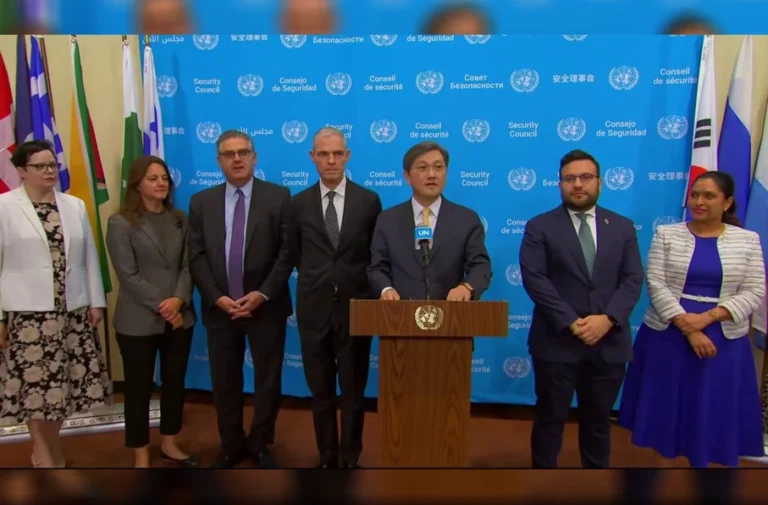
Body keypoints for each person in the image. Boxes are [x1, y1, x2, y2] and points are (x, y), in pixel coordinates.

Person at [619, 171, 764, 469]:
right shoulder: (666, 234)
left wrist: (708, 318)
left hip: (723, 337)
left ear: (727, 202)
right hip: (668, 334)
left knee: (712, 407)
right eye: (695, 194)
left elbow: (754, 290)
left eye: (709, 196)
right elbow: (656, 284)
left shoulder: (748, 240)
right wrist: (690, 328)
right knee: (665, 411)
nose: (699, 201)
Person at [519, 149, 644, 469]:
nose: (578, 184)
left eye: (586, 177)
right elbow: (535, 279)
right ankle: (542, 483)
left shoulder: (622, 227)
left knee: (599, 422)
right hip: (557, 341)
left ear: (599, 182)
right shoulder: (540, 227)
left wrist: (608, 319)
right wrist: (572, 322)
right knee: (549, 419)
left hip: (609, 341)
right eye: (570, 178)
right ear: (560, 183)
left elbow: (632, 279)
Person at [0, 139, 112, 468]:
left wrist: (95, 301)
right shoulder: (5, 206)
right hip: (27, 316)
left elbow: (89, 257)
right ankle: (43, 453)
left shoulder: (74, 205)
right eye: (41, 166)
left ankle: (50, 447)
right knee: (35, 389)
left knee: (63, 387)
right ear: (21, 171)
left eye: (52, 165)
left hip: (72, 311)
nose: (50, 171)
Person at [188, 130, 293, 468]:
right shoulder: (201, 202)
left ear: (254, 157)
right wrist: (216, 296)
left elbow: (287, 253)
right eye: (229, 154)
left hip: (266, 307)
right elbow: (196, 256)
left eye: (243, 152)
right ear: (219, 161)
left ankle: (260, 443)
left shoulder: (279, 197)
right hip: (221, 309)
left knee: (268, 380)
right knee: (225, 381)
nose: (237, 159)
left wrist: (262, 293)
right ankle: (231, 445)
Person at [288, 127, 382, 468]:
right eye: (324, 154)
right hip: (313, 311)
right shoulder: (297, 204)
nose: (331, 160)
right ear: (312, 157)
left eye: (337, 153)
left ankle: (350, 457)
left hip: (356, 310)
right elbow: (295, 254)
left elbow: (375, 255)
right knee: (321, 392)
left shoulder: (368, 201)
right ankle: (327, 456)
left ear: (347, 156)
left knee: (354, 393)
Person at [105, 155, 198, 468]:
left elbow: (188, 265)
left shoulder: (179, 219)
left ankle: (169, 443)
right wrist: (164, 305)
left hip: (180, 318)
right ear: (137, 185)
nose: (161, 183)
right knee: (138, 389)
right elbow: (127, 274)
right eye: (153, 178)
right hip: (138, 321)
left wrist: (178, 300)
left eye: (164, 178)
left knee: (174, 384)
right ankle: (141, 452)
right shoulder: (120, 223)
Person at [368, 141, 491, 302]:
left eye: (438, 167)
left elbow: (480, 266)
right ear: (407, 176)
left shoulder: (467, 220)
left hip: (451, 312)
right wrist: (386, 289)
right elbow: (377, 267)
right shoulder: (388, 220)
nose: (432, 174)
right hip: (400, 312)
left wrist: (466, 287)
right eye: (423, 168)